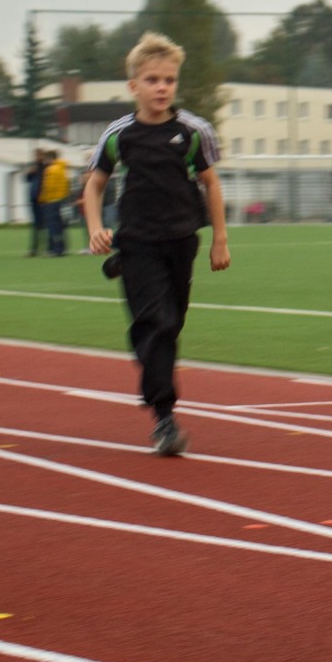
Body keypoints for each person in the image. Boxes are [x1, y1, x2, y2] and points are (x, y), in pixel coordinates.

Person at [82, 32, 230, 457]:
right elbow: (93, 187)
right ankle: (164, 418)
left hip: (182, 242)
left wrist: (220, 239)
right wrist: (95, 228)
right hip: (137, 244)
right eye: (152, 80)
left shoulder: (194, 131)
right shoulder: (119, 135)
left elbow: (211, 184)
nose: (161, 87)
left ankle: (153, 377)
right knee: (159, 324)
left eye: (168, 80)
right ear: (134, 86)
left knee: (170, 324)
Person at [38, 150, 71, 257]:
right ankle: (63, 248)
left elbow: (48, 187)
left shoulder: (50, 170)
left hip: (51, 201)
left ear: (49, 158)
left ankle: (55, 249)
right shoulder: (63, 169)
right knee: (61, 226)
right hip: (62, 200)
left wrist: (43, 198)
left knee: (53, 226)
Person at [24, 148, 48, 256]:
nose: (37, 157)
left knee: (46, 225)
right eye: (36, 155)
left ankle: (47, 248)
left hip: (44, 199)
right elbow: (27, 179)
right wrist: (29, 172)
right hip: (34, 199)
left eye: (39, 155)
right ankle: (34, 249)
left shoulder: (46, 167)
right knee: (35, 225)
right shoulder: (33, 167)